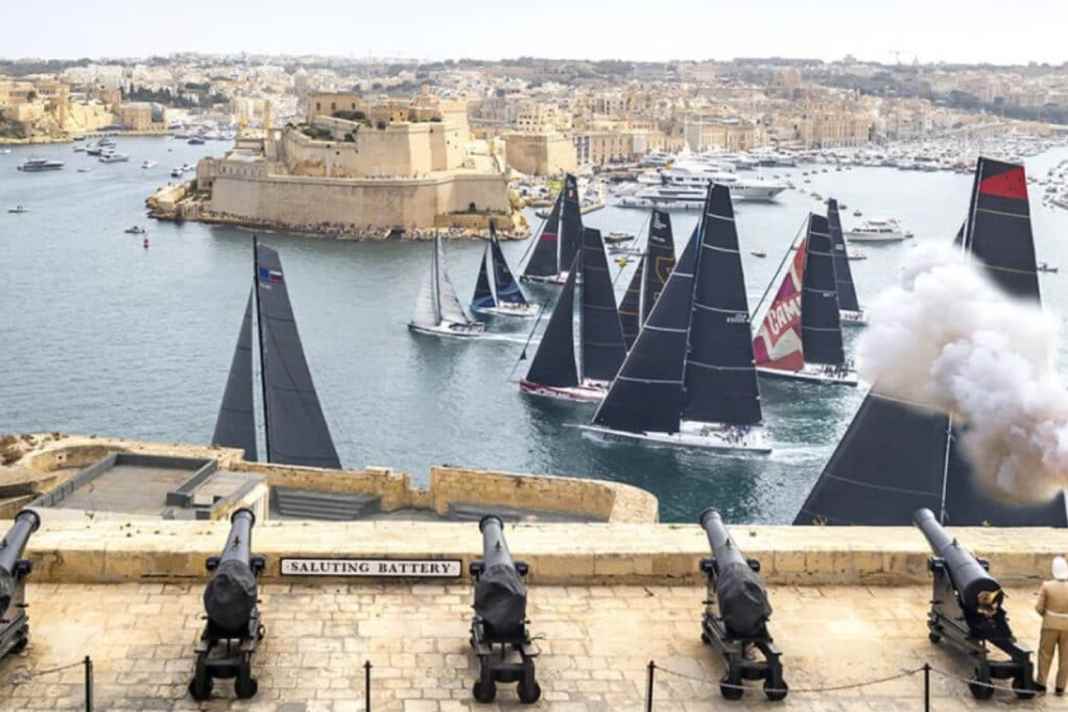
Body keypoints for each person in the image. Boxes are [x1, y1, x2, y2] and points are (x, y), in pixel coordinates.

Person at [1036, 555, 1068, 695]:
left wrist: (1047, 616)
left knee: (1045, 654)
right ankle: (1060, 686)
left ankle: (1041, 683)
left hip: (1049, 624)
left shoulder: (1047, 586)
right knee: (1065, 657)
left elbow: (1039, 607)